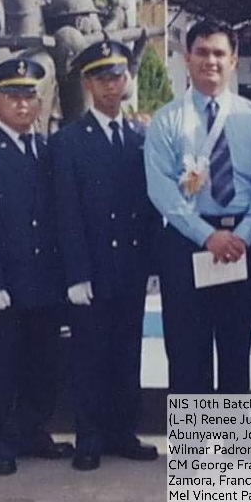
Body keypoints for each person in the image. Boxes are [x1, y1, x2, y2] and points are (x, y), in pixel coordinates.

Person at [144, 19, 251, 393]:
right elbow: (161, 190)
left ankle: (229, 432)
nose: (211, 61)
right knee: (187, 354)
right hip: (187, 245)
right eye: (202, 52)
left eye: (220, 53)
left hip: (241, 245)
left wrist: (242, 235)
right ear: (187, 59)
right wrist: (207, 236)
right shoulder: (167, 120)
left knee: (236, 352)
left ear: (234, 61)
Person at [0, 57, 73, 477]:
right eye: (13, 97)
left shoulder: (48, 151)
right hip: (4, 282)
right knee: (0, 367)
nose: (23, 105)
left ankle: (31, 431)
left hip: (45, 279)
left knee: (42, 364)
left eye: (30, 97)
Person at [54, 40, 161, 470]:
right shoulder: (69, 141)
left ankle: (122, 431)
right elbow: (66, 211)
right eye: (101, 78)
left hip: (130, 266)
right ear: (87, 84)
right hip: (92, 267)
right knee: (89, 356)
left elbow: (149, 205)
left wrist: (152, 264)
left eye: (117, 76)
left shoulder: (140, 137)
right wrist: (75, 273)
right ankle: (89, 436)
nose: (111, 85)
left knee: (126, 352)